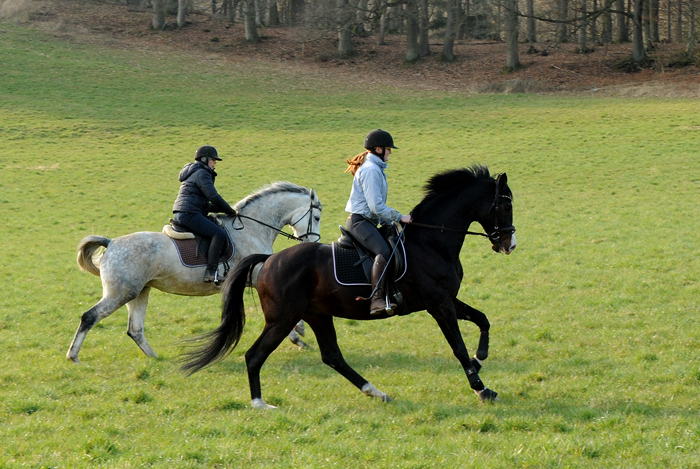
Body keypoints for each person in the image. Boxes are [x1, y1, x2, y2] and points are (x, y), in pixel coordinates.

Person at [345, 129, 412, 315]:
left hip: (368, 221)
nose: (390, 152)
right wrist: (399, 217)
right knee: (383, 251)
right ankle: (376, 300)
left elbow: (375, 208)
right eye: (388, 149)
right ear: (378, 149)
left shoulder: (375, 169)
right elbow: (376, 206)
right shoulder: (371, 170)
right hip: (360, 223)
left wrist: (392, 222)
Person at [172, 145, 236, 283]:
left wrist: (219, 210)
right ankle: (211, 272)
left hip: (184, 212)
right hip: (189, 213)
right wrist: (229, 210)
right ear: (205, 159)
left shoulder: (195, 172)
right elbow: (214, 196)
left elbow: (203, 203)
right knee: (218, 234)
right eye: (213, 159)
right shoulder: (202, 173)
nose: (215, 163)